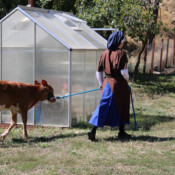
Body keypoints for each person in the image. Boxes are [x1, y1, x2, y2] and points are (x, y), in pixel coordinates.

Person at [88, 30, 131, 141]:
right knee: (121, 106)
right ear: (118, 41)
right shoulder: (121, 53)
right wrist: (128, 80)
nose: (123, 43)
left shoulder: (104, 53)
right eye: (122, 41)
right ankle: (94, 130)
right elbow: (124, 72)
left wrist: (101, 84)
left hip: (107, 83)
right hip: (119, 85)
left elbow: (98, 71)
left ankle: (95, 130)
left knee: (104, 106)